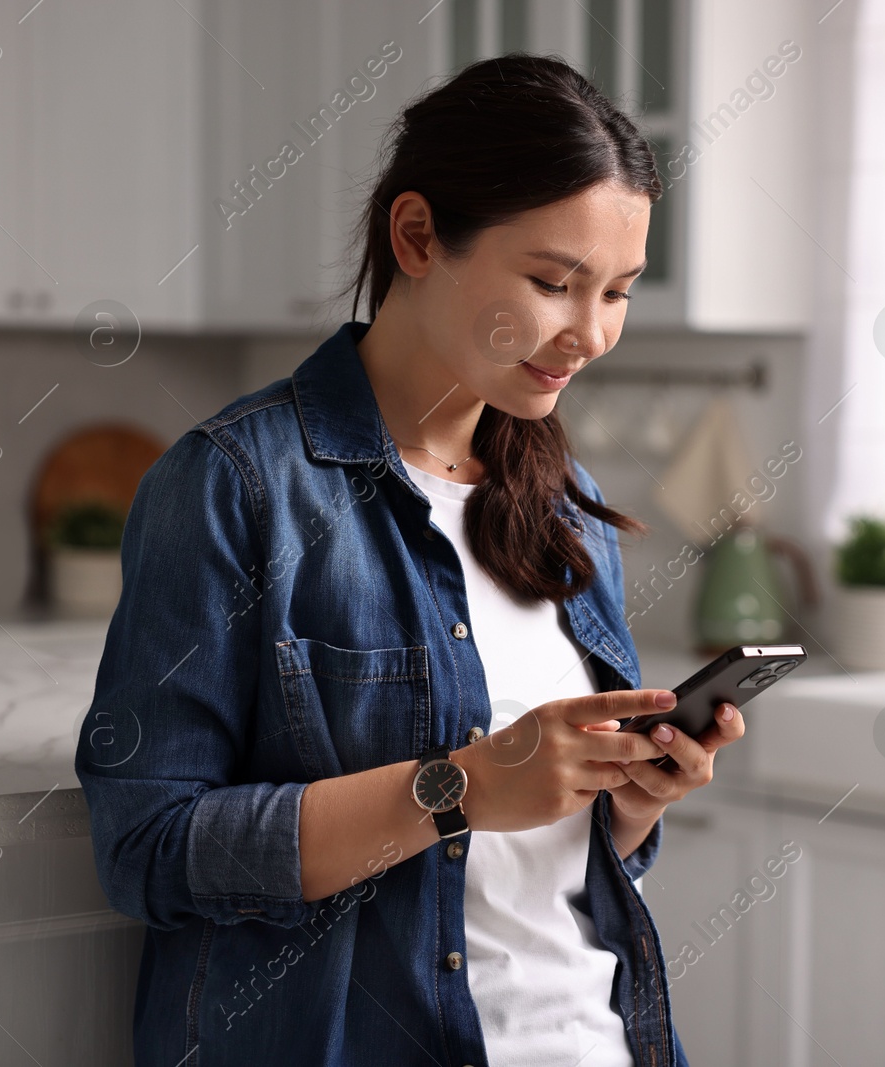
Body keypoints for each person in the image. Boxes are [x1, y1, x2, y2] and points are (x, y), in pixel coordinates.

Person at [75, 54, 738, 1067]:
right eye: (554, 282)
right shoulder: (234, 485)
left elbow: (534, 868)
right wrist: (459, 784)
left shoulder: (565, 502)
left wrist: (630, 799)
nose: (591, 332)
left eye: (618, 291)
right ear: (418, 235)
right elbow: (150, 848)